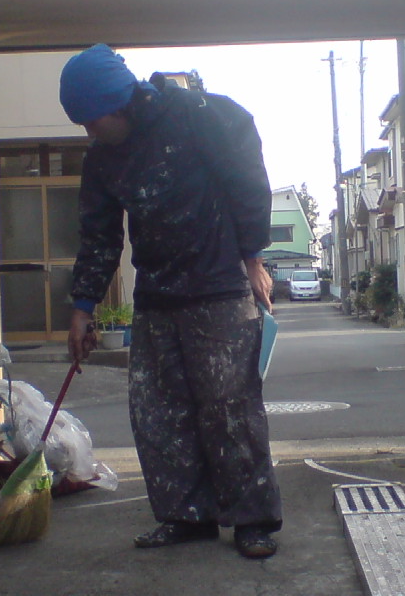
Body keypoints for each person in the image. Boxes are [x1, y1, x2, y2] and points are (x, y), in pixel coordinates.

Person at [58, 44, 282, 559]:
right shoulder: (103, 159)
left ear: (120, 104)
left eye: (93, 121)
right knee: (158, 410)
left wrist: (252, 258)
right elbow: (98, 235)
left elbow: (248, 177)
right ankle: (186, 515)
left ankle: (252, 519)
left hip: (220, 285)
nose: (89, 133)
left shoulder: (198, 115)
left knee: (230, 406)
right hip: (157, 292)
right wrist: (83, 307)